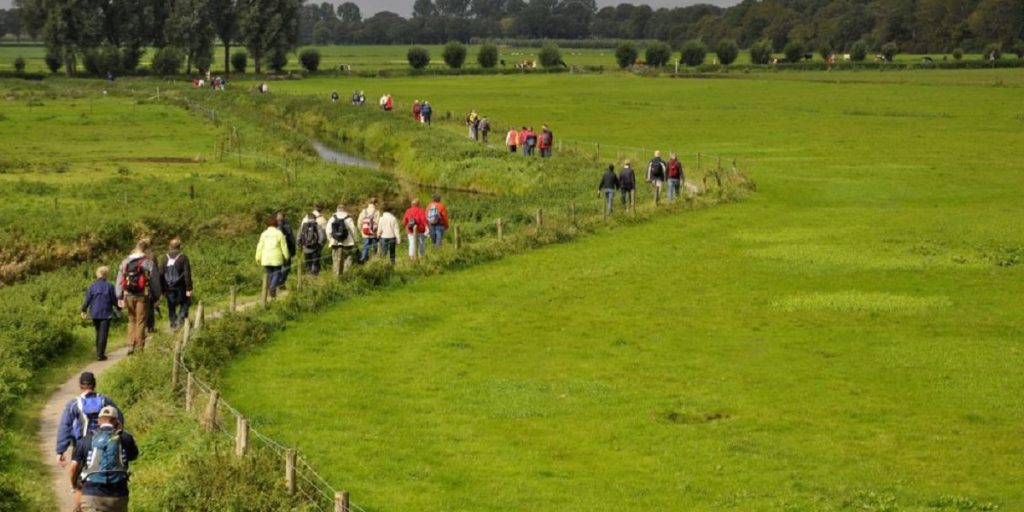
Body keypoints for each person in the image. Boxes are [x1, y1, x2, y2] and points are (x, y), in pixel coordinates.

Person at [69, 405, 138, 512]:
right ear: (116, 421)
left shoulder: (86, 439)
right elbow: (133, 456)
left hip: (92, 496)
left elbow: (73, 467)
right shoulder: (125, 438)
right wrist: (121, 431)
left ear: (99, 421)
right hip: (118, 496)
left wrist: (74, 484)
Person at [56, 372, 123, 468]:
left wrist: (60, 451)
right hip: (106, 442)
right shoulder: (105, 401)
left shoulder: (74, 404)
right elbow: (119, 419)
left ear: (80, 385)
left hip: (82, 445)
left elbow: (65, 427)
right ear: (94, 384)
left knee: (76, 472)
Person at [115, 239, 161, 355]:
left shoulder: (125, 261)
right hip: (142, 295)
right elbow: (155, 281)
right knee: (141, 321)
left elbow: (119, 280)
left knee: (131, 320)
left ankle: (130, 345)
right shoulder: (148, 263)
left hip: (128, 295)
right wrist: (157, 295)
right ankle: (139, 347)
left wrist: (119, 296)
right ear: (146, 250)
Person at [81, 268, 118, 360]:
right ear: (106, 274)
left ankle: (99, 352)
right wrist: (119, 307)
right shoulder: (110, 286)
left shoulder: (92, 286)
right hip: (106, 313)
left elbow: (87, 300)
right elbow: (114, 300)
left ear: (97, 274)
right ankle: (100, 354)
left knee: (98, 332)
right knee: (103, 333)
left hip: (95, 313)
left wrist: (83, 310)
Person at [158, 238, 193, 330]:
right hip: (181, 286)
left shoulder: (164, 258)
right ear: (179, 246)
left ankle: (173, 323)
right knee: (185, 303)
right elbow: (187, 274)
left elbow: (161, 274)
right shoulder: (183, 257)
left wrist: (162, 289)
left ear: (170, 246)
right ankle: (181, 319)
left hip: (168, 286)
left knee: (171, 305)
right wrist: (189, 288)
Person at [255, 216, 289, 298]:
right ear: (276, 224)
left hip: (266, 257)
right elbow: (284, 246)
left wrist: (258, 257)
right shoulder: (279, 233)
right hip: (276, 257)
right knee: (277, 273)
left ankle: (271, 289)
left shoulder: (264, 234)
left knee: (270, 274)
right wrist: (286, 256)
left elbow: (260, 246)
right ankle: (272, 288)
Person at [327, 204, 358, 276]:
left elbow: (328, 230)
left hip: (335, 243)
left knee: (336, 260)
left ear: (337, 209)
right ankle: (346, 275)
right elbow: (353, 230)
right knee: (348, 259)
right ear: (344, 209)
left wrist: (330, 239)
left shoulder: (332, 218)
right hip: (348, 243)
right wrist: (356, 240)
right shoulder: (348, 218)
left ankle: (336, 276)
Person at [357, 198, 381, 263]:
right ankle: (374, 260)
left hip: (365, 232)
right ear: (375, 203)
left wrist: (361, 230)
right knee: (374, 246)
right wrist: (377, 232)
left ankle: (363, 259)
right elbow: (378, 223)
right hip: (373, 233)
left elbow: (359, 222)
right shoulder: (377, 212)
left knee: (365, 246)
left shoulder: (364, 211)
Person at [276, 211, 296, 287]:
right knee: (286, 267)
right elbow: (292, 240)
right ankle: (281, 282)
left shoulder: (273, 227)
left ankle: (276, 283)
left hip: (276, 251)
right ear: (284, 218)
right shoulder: (288, 227)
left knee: (277, 268)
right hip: (286, 250)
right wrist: (293, 251)